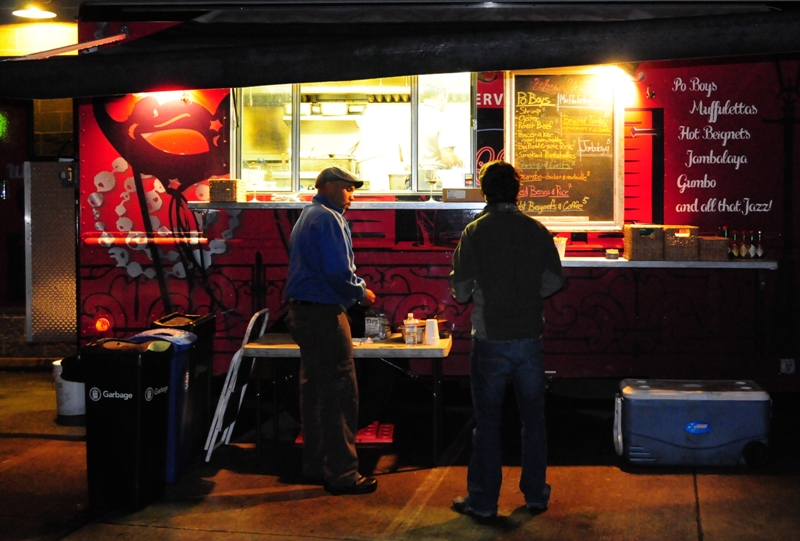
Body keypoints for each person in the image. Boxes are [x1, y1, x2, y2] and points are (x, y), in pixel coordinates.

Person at [449, 160, 565, 518]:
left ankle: (483, 502)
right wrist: (526, 295)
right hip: (529, 338)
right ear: (518, 192)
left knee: (487, 423)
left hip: (490, 338)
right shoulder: (536, 230)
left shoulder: (475, 232)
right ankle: (535, 495)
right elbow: (554, 280)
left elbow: (460, 290)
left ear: (485, 192)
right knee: (534, 420)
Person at [284, 166, 378, 495]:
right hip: (324, 315)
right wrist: (360, 293)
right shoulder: (328, 218)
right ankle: (342, 474)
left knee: (314, 394)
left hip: (302, 313)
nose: (352, 196)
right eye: (348, 188)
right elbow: (338, 272)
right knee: (340, 393)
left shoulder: (308, 215)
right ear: (327, 186)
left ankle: (315, 465)